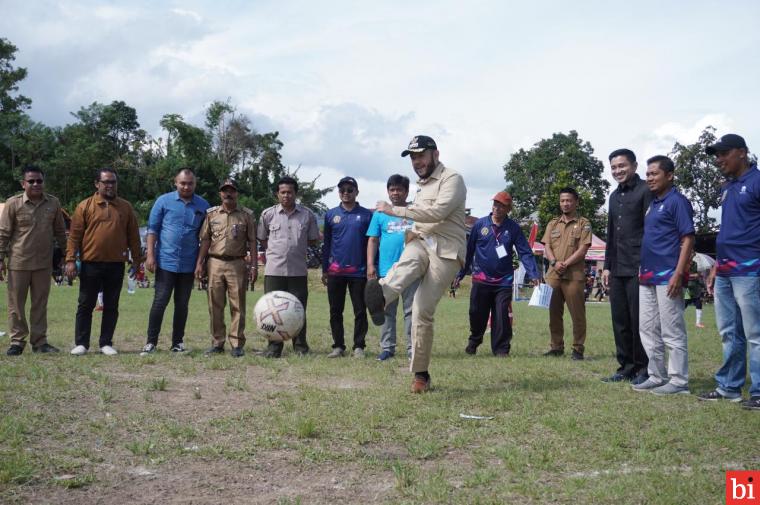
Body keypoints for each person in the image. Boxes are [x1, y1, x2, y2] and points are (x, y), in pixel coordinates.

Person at [365, 135, 467, 393]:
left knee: (422, 310)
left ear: (435, 154)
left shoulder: (452, 179)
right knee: (408, 261)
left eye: (421, 155)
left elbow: (438, 213)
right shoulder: (422, 185)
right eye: (412, 157)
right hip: (421, 240)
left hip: (446, 252)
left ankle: (421, 374)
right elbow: (422, 220)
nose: (417, 161)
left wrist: (394, 210)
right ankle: (381, 295)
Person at [697, 134, 760, 410]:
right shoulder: (727, 187)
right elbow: (729, 231)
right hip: (725, 269)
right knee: (729, 332)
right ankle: (730, 387)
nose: (718, 160)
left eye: (724, 154)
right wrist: (715, 268)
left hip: (751, 269)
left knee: (755, 334)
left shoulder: (757, 182)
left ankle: (758, 392)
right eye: (716, 155)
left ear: (742, 153)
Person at [634, 155, 695, 395]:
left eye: (654, 173)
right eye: (647, 174)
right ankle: (656, 375)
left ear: (669, 175)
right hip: (647, 276)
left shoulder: (677, 201)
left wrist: (679, 274)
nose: (649, 178)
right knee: (647, 328)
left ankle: (679, 381)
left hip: (668, 276)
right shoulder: (653, 204)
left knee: (672, 329)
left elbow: (688, 238)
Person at [65, 168, 143, 356]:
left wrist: (136, 260)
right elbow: (74, 236)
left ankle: (106, 343)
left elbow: (133, 237)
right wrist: (69, 260)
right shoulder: (85, 206)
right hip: (90, 263)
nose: (110, 185)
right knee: (85, 304)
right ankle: (82, 343)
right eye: (106, 182)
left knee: (111, 305)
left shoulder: (125, 207)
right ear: (97, 184)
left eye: (113, 182)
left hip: (116, 264)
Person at [453, 191, 539, 357]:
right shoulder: (480, 225)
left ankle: (501, 349)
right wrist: (461, 273)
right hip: (480, 279)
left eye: (502, 205)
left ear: (508, 209)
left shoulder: (513, 228)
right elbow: (469, 251)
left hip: (503, 281)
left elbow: (525, 252)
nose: (497, 208)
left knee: (501, 315)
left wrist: (533, 273)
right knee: (477, 313)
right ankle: (475, 340)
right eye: (495, 204)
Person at [140, 168, 209, 356]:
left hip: (188, 264)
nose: (186, 186)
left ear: (195, 184)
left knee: (182, 304)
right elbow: (152, 230)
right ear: (175, 182)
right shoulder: (163, 201)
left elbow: (206, 238)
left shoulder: (203, 205)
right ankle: (151, 343)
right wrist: (150, 256)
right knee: (159, 302)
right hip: (165, 262)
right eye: (183, 183)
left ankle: (177, 342)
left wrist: (200, 264)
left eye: (190, 183)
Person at [0, 166, 67, 355]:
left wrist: (66, 255)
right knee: (16, 306)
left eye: (39, 181)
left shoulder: (53, 203)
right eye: (31, 181)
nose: (36, 184)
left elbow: (61, 232)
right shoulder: (13, 203)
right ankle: (17, 342)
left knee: (40, 304)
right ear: (23, 184)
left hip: (43, 264)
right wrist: (0, 258)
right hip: (18, 263)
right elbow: (4, 233)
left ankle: (39, 342)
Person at [602, 149, 653, 383]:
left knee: (638, 320)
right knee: (620, 320)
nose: (617, 171)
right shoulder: (614, 196)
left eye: (622, 166)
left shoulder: (645, 191)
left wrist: (647, 263)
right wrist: (606, 266)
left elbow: (651, 231)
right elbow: (611, 234)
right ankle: (625, 367)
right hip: (618, 267)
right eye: (613, 167)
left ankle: (644, 368)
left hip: (638, 266)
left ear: (634, 165)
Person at [257, 176, 320, 358]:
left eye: (290, 192)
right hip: (274, 271)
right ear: (277, 194)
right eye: (282, 192)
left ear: (295, 194)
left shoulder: (307, 215)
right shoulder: (267, 214)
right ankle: (274, 348)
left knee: (298, 310)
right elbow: (262, 238)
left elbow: (313, 238)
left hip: (298, 271)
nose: (286, 196)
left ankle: (300, 347)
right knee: (272, 311)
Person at [195, 179, 257, 357]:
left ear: (237, 193)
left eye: (232, 190)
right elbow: (205, 240)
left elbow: (252, 241)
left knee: (238, 304)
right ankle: (217, 342)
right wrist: (200, 263)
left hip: (237, 263)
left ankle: (237, 344)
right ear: (220, 193)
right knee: (215, 305)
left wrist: (253, 265)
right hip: (214, 262)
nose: (228, 194)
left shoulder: (246, 215)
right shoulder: (212, 214)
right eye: (225, 191)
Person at [367, 174, 418, 361]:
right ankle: (387, 348)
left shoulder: (414, 211)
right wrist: (371, 265)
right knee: (386, 309)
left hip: (411, 269)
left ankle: (413, 349)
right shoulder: (379, 214)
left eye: (399, 189)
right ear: (388, 191)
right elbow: (373, 239)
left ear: (406, 191)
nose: (395, 193)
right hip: (386, 270)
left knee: (411, 310)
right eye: (392, 189)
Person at [322, 176, 373, 358]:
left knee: (360, 310)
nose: (346, 193)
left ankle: (359, 346)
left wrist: (371, 267)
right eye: (342, 190)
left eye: (350, 190)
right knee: (335, 310)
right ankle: (338, 346)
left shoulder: (367, 215)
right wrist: (324, 269)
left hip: (359, 272)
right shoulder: (330, 214)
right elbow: (326, 244)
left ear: (356, 192)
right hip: (335, 271)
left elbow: (372, 243)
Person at [541, 187, 592, 361]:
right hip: (553, 275)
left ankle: (578, 348)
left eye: (569, 200)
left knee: (577, 314)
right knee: (554, 313)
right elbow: (546, 246)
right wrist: (554, 262)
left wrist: (566, 263)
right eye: (562, 200)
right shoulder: (552, 223)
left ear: (576, 202)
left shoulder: (584, 223)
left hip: (574, 275)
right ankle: (556, 347)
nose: (565, 203)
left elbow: (583, 248)